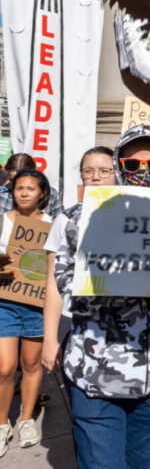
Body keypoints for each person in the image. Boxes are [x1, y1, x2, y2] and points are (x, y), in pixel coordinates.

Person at [49, 125, 150, 469]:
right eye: (133, 165)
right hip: (95, 380)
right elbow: (62, 279)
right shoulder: (79, 218)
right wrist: (107, 279)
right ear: (119, 166)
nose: (144, 174)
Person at [41, 147, 116, 380]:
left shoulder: (136, 219)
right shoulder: (65, 220)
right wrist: (49, 339)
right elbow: (52, 282)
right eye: (88, 171)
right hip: (72, 320)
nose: (96, 177)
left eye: (105, 171)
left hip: (119, 326)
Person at [0, 169, 52, 456]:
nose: (23, 193)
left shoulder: (52, 224)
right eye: (19, 188)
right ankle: (1, 424)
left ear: (42, 193)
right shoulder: (3, 222)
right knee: (4, 368)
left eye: (30, 188)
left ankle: (25, 419)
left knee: (31, 365)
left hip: (35, 304)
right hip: (4, 302)